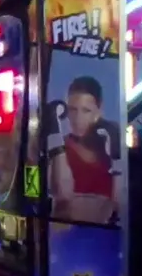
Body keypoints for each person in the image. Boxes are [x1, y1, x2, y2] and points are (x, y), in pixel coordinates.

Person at [49, 76, 119, 223]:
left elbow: (119, 204)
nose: (78, 118)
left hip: (104, 230)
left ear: (98, 112)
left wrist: (117, 158)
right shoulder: (62, 149)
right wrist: (54, 135)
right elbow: (63, 195)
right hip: (68, 229)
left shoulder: (109, 147)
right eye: (72, 110)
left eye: (86, 111)